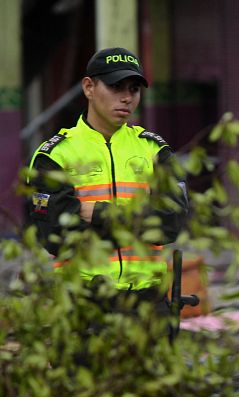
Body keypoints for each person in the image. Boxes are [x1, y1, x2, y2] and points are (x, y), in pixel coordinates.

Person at [27, 47, 188, 311]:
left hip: (148, 303)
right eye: (116, 87)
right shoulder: (55, 155)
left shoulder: (155, 150)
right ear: (89, 87)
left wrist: (95, 214)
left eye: (134, 89)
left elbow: (170, 224)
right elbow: (57, 237)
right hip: (82, 304)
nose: (127, 98)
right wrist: (139, 222)